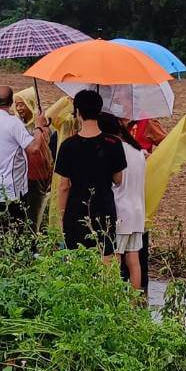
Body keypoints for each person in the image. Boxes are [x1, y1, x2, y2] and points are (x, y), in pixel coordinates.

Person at [55, 90, 127, 255]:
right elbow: (118, 180)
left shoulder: (68, 145)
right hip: (104, 209)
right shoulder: (114, 143)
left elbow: (64, 186)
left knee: (76, 258)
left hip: (76, 211)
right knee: (105, 256)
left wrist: (62, 216)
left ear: (77, 112)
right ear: (100, 111)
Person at [0, 85, 47, 227]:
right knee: (14, 235)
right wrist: (39, 126)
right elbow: (34, 149)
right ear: (10, 103)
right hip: (11, 193)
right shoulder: (14, 123)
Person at [104, 115, 147, 288]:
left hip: (120, 211)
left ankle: (113, 300)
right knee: (133, 259)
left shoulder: (115, 150)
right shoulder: (137, 150)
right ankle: (134, 302)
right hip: (137, 211)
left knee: (114, 258)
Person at [14, 87, 56, 227]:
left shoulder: (43, 127)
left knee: (35, 212)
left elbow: (47, 152)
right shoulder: (16, 125)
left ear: (31, 103)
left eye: (22, 104)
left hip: (37, 176)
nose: (19, 108)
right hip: (21, 176)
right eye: (17, 104)